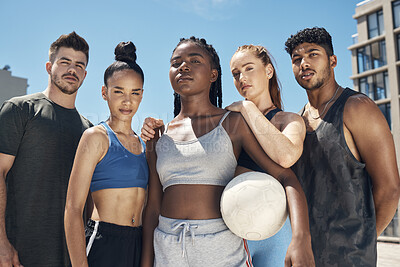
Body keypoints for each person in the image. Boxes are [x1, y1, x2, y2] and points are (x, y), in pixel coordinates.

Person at [141, 36, 314, 267]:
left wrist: (301, 239)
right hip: (167, 248)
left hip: (221, 248)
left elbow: (286, 176)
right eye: (176, 62)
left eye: (194, 60)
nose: (184, 66)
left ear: (213, 74)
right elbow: (153, 207)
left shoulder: (234, 123)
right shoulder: (158, 136)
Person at [285, 27, 400, 266]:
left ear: (333, 60)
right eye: (297, 59)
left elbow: (389, 189)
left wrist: (360, 241)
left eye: (313, 54)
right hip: (305, 259)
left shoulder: (357, 108)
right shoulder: (297, 122)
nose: (304, 63)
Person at [0, 32, 92, 267]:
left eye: (79, 65)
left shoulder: (90, 131)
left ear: (85, 74)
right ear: (49, 66)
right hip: (20, 256)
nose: (72, 69)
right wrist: (2, 245)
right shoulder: (20, 110)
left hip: (70, 258)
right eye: (65, 62)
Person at [64, 41, 148, 267]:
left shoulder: (144, 145)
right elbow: (73, 208)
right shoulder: (95, 137)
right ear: (104, 92)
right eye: (118, 91)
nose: (127, 100)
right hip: (104, 242)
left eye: (134, 92)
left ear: (142, 95)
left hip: (138, 244)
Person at [225, 44, 306, 266]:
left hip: (276, 230)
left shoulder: (289, 120)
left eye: (249, 68)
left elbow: (286, 156)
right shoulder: (230, 119)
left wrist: (248, 108)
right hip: (231, 228)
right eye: (235, 73)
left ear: (268, 71)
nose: (242, 77)